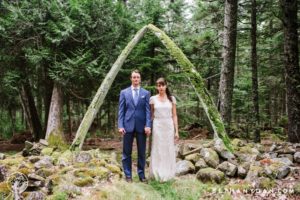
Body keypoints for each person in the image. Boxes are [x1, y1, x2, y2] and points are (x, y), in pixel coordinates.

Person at [118, 70, 151, 183]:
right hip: (127, 126)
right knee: (127, 152)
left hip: (142, 127)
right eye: (134, 77)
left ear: (140, 79)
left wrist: (148, 125)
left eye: (137, 77)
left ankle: (141, 175)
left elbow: (148, 112)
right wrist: (120, 125)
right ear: (131, 79)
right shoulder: (124, 92)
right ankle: (128, 175)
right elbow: (121, 111)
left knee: (141, 152)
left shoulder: (146, 93)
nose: (136, 79)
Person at [149, 77, 179, 182]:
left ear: (166, 86)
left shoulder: (172, 99)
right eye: (158, 85)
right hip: (157, 125)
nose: (160, 87)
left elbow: (174, 115)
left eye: (162, 85)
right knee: (158, 148)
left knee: (168, 148)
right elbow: (151, 115)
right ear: (157, 87)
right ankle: (157, 173)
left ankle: (168, 174)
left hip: (169, 125)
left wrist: (177, 131)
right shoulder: (153, 99)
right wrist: (148, 126)